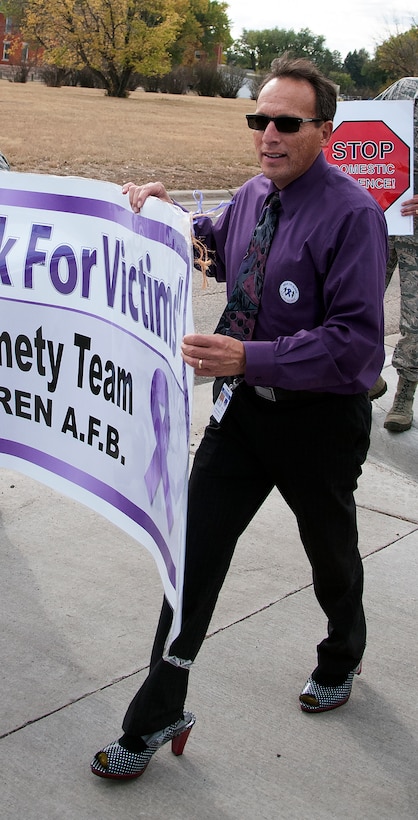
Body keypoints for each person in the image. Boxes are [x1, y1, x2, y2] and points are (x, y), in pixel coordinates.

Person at [91, 55, 388, 781]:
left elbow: (355, 346)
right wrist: (165, 215)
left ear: (325, 128)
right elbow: (223, 247)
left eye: (287, 123)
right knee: (189, 561)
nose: (268, 135)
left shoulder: (354, 216)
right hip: (241, 416)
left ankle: (342, 651)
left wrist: (250, 357)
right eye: (259, 120)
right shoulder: (254, 195)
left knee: (331, 556)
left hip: (319, 426)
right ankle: (158, 711)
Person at [368, 77, 418, 432]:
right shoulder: (403, 90)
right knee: (359, 299)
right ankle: (367, 374)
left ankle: (405, 395)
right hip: (382, 220)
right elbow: (361, 124)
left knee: (415, 320)